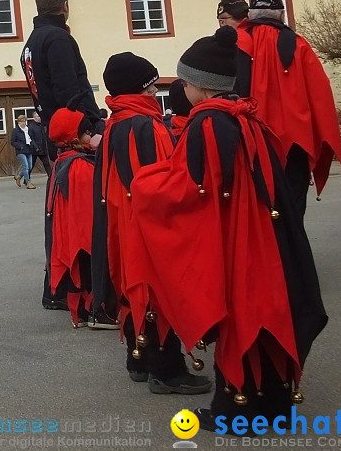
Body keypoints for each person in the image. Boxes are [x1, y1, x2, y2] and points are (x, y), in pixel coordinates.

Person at [133, 26, 327, 426]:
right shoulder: (245, 118)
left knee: (243, 313)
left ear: (201, 87)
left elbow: (193, 186)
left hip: (241, 238)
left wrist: (144, 184)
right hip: (263, 235)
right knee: (266, 311)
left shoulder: (208, 123)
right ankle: (273, 404)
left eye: (185, 81)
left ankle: (237, 410)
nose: (182, 88)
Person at [97, 51, 209, 396]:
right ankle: (167, 369)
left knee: (134, 286)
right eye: (149, 88)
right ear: (138, 90)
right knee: (158, 288)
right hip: (146, 223)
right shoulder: (146, 125)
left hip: (122, 222)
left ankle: (139, 359)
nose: (153, 95)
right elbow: (164, 181)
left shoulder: (116, 122)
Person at [235, 0, 341, 218]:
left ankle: (267, 251)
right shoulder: (299, 44)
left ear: (250, 15)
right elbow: (320, 91)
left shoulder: (238, 41)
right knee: (294, 207)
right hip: (296, 139)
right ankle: (295, 250)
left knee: (258, 205)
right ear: (282, 15)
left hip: (253, 135)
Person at [19, 0, 106, 168]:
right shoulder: (57, 38)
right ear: (65, 6)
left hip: (53, 130)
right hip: (74, 136)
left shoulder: (31, 43)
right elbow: (69, 91)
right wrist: (88, 130)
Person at [45, 106, 97, 326]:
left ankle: (81, 312)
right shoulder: (79, 165)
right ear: (75, 136)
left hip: (69, 232)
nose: (90, 137)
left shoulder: (62, 162)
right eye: (86, 133)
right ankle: (91, 310)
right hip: (84, 235)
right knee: (86, 264)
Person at [10, 113, 37, 189]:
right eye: (21, 121)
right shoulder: (16, 131)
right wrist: (20, 146)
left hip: (29, 149)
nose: (23, 123)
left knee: (30, 166)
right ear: (18, 122)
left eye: (24, 121)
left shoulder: (28, 129)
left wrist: (34, 146)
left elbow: (31, 138)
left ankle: (19, 176)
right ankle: (28, 182)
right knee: (26, 166)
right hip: (21, 151)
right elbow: (12, 141)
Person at [28, 111, 51, 182]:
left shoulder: (42, 125)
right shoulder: (31, 126)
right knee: (31, 166)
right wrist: (36, 147)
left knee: (46, 163)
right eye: (38, 116)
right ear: (34, 117)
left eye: (40, 116)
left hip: (43, 148)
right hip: (34, 149)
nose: (39, 118)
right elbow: (30, 138)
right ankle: (26, 179)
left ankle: (51, 178)